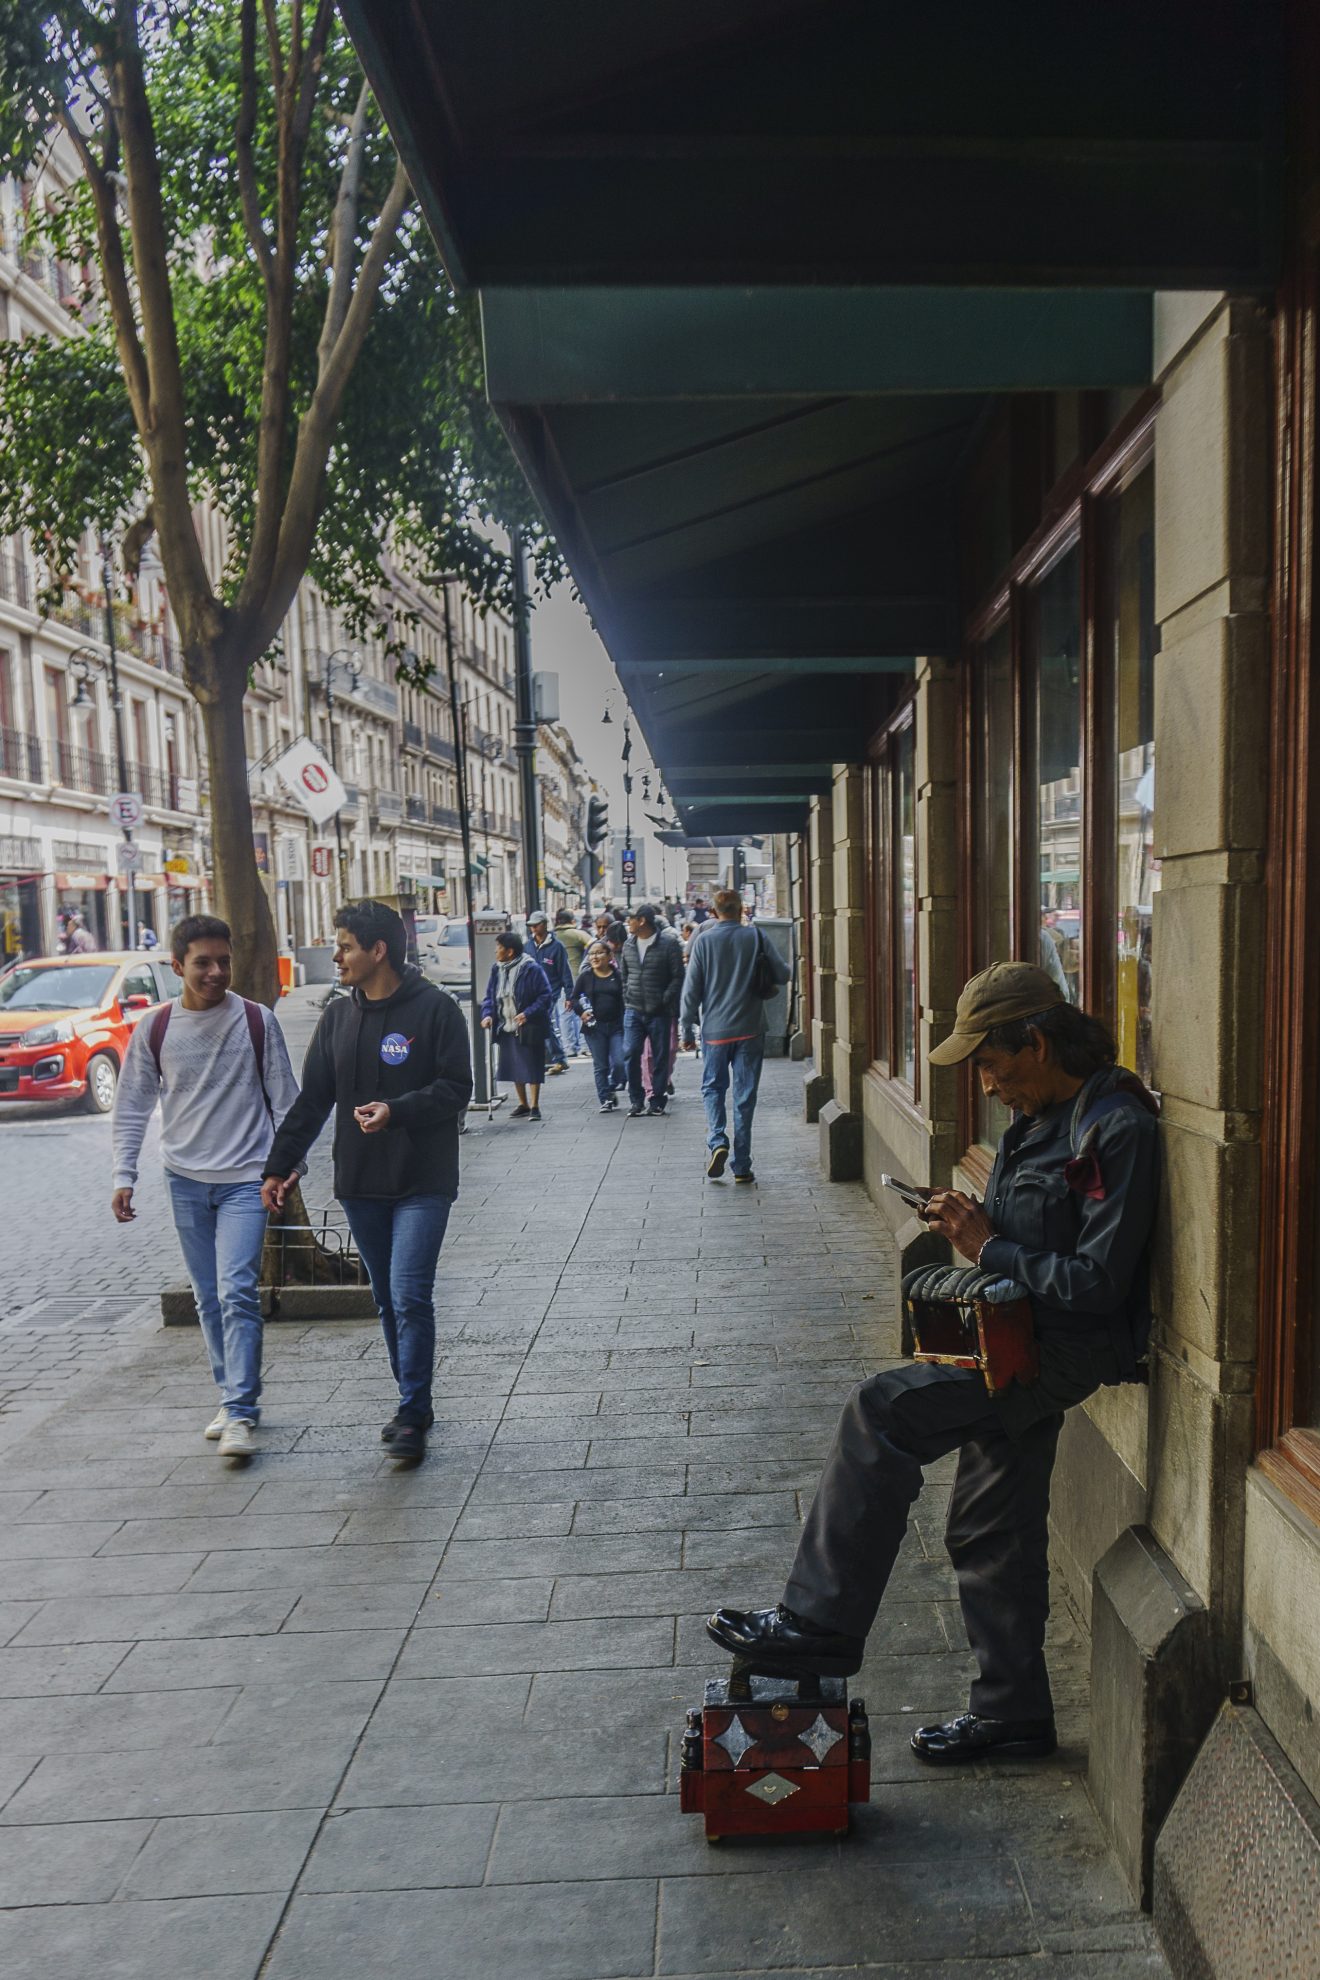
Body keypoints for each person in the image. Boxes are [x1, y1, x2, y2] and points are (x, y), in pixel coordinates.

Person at [707, 962, 1160, 1766]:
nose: (987, 1085)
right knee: (990, 1527)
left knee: (884, 1408)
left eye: (993, 1063)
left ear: (1041, 1042)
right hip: (1011, 1337)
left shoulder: (1112, 1126)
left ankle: (818, 1625)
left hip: (1053, 1352)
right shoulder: (1038, 1117)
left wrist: (988, 1244)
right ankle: (1014, 1715)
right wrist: (973, 1224)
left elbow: (1095, 1284)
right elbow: (1028, 1232)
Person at [261, 899, 473, 1464]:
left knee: (408, 1293)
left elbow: (458, 1087)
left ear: (378, 951)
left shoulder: (436, 1009)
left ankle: (411, 1409)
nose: (337, 956)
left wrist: (397, 1110)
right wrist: (279, 1167)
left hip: (423, 1179)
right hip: (360, 1182)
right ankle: (414, 1402)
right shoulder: (337, 1016)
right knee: (385, 1299)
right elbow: (313, 1101)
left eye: (346, 946)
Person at [111, 914, 301, 1462]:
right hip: (185, 1180)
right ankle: (232, 1395)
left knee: (235, 1289)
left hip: (247, 1179)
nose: (217, 972)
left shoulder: (257, 1020)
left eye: (224, 961)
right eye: (203, 963)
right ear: (177, 966)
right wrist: (125, 1175)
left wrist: (287, 1168)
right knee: (206, 1297)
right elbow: (131, 1107)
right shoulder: (155, 1027)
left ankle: (240, 1409)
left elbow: (287, 1100)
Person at [679, 887, 790, 1182]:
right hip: (750, 1029)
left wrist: (686, 1027)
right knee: (744, 1096)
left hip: (714, 1031)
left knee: (712, 1089)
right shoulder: (755, 937)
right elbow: (783, 974)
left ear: (714, 912)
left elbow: (691, 991)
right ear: (742, 909)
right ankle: (741, 1166)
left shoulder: (702, 941)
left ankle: (717, 1140)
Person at [481, 927, 553, 1121]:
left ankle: (535, 1106)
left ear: (510, 951)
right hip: (506, 1025)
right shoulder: (497, 969)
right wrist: (487, 1014)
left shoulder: (531, 968)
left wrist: (527, 1013)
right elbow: (490, 997)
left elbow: (545, 995)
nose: (496, 951)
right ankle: (523, 1104)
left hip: (528, 1026)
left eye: (499, 948)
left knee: (532, 1065)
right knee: (514, 1066)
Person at [620, 902, 683, 1118]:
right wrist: (627, 997)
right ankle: (636, 1100)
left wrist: (665, 999)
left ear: (642, 921)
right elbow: (624, 976)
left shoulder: (668, 944)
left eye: (631, 918)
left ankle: (657, 1099)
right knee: (630, 1053)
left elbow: (677, 977)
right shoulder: (629, 945)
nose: (628, 922)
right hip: (634, 1009)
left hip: (660, 1011)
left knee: (660, 1056)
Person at [570, 938, 626, 1111]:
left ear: (609, 956)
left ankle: (612, 1084)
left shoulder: (618, 976)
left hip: (617, 1026)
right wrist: (581, 1012)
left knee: (619, 1062)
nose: (594, 957)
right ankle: (605, 1099)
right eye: (591, 954)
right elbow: (573, 998)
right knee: (600, 1065)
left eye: (599, 953)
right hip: (594, 1027)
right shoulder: (585, 977)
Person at [528, 910, 573, 1075]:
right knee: (542, 1025)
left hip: (550, 993)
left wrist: (569, 995)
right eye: (531, 925)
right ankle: (553, 1058)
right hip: (531, 994)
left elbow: (565, 973)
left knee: (545, 1023)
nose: (533, 928)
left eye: (536, 924)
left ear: (545, 925)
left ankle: (559, 1058)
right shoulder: (528, 946)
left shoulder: (557, 947)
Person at [555, 908, 590, 1056]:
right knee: (582, 1012)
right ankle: (584, 1046)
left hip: (560, 981)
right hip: (578, 978)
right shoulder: (578, 935)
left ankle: (569, 1047)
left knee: (564, 1015)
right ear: (572, 920)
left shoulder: (553, 936)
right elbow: (594, 945)